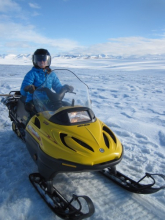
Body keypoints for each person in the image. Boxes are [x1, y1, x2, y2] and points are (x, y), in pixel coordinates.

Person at [20, 48, 73, 114]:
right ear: (35, 60)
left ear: (47, 60)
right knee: (31, 111)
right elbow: (23, 90)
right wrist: (28, 88)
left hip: (48, 100)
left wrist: (65, 88)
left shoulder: (51, 74)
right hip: (34, 100)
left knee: (65, 107)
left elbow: (57, 86)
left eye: (44, 59)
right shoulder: (31, 74)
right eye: (39, 59)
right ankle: (27, 123)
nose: (42, 61)